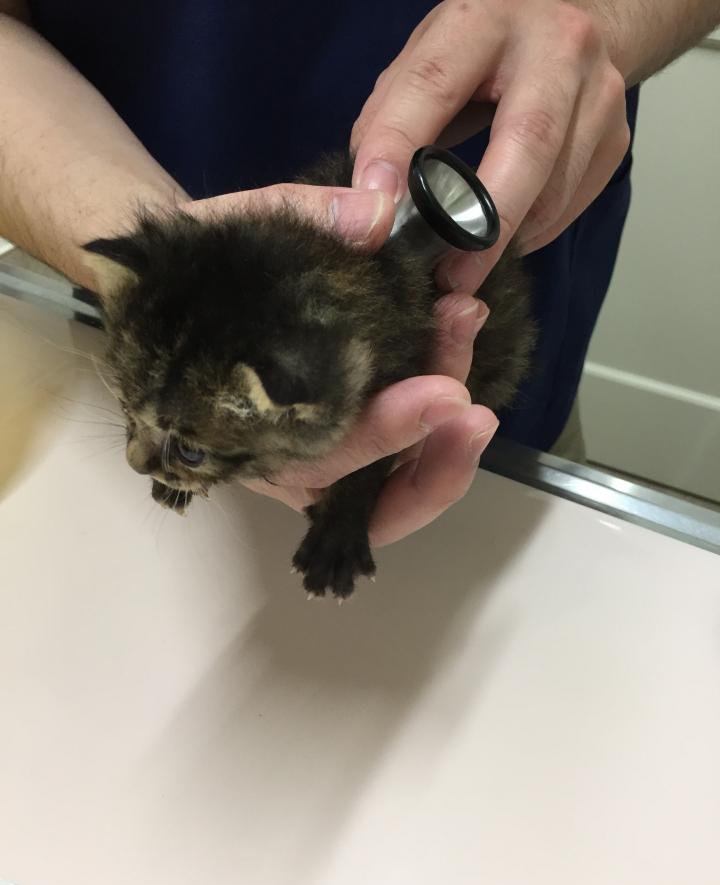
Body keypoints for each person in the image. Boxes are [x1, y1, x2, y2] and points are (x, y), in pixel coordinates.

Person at [0, 0, 717, 549]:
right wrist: (115, 219)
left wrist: (605, 22)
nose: (135, 457)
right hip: (139, 314)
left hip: (510, 420)